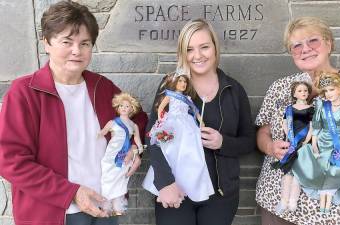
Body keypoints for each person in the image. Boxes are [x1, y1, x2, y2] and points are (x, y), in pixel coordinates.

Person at [0, 1, 147, 225]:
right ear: (47, 43)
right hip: (54, 213)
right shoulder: (25, 93)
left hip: (105, 206)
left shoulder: (102, 87)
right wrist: (71, 192)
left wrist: (135, 148)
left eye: (85, 43)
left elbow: (138, 119)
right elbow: (10, 161)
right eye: (66, 42)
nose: (76, 51)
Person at [255, 16, 340, 224]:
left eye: (313, 40)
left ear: (329, 43)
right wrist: (270, 147)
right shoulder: (280, 88)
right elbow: (263, 132)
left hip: (339, 213)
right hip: (279, 207)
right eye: (296, 45)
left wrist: (330, 171)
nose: (305, 49)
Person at [146, 18, 255, 225]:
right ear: (182, 53)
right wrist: (165, 182)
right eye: (189, 49)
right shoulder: (171, 86)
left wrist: (224, 143)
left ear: (215, 46)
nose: (197, 56)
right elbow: (153, 135)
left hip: (220, 196)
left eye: (204, 47)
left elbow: (248, 141)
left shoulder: (233, 90)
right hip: (177, 190)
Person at [292, 71, 340, 214]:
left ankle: (329, 200)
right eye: (326, 91)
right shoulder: (322, 105)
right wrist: (314, 143)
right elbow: (317, 125)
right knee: (322, 169)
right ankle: (322, 201)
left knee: (335, 171)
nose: (328, 94)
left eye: (331, 89)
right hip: (322, 141)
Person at [142, 71, 214, 202]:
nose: (183, 84)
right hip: (173, 122)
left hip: (187, 124)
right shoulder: (170, 95)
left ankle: (190, 181)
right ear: (175, 83)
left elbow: (195, 111)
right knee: (170, 150)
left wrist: (201, 121)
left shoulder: (188, 99)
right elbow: (161, 108)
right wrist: (160, 119)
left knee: (190, 151)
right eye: (180, 81)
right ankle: (169, 181)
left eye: (185, 82)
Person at [270, 81, 313, 215]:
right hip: (291, 142)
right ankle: (284, 200)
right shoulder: (289, 109)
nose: (303, 93)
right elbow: (285, 123)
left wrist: (307, 139)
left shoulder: (311, 108)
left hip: (304, 143)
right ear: (294, 94)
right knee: (287, 172)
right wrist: (289, 137)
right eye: (300, 91)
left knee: (297, 174)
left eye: (305, 90)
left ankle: (293, 201)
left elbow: (312, 126)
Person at [99, 93, 145, 215]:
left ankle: (117, 206)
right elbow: (102, 133)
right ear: (118, 108)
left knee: (120, 179)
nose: (124, 108)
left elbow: (137, 139)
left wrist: (140, 147)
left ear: (132, 109)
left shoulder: (133, 125)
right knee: (108, 177)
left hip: (125, 153)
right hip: (112, 153)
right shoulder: (113, 122)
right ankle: (105, 205)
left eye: (127, 106)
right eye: (121, 106)